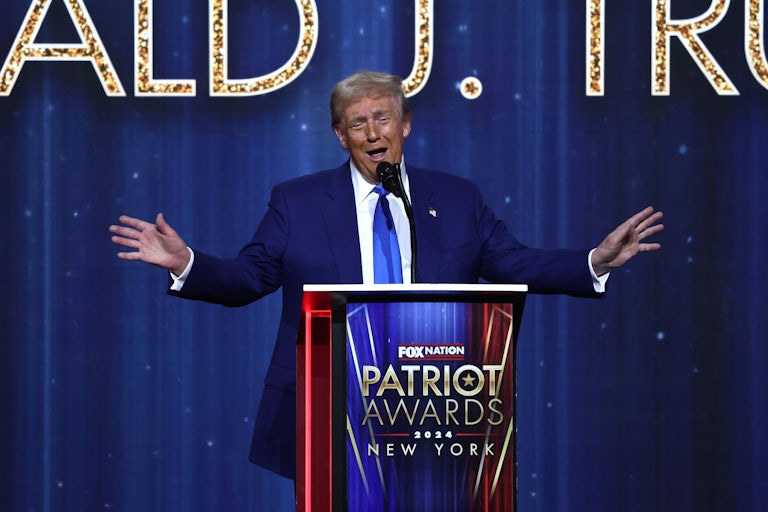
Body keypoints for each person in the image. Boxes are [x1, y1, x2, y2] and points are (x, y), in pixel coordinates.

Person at [109, 70, 663, 480]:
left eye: (383, 119)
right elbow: (249, 278)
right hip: (330, 407)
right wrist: (187, 262)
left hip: (435, 406)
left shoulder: (455, 198)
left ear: (405, 125)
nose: (373, 133)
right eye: (358, 123)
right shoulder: (297, 202)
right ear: (340, 136)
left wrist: (593, 261)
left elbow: (512, 262)